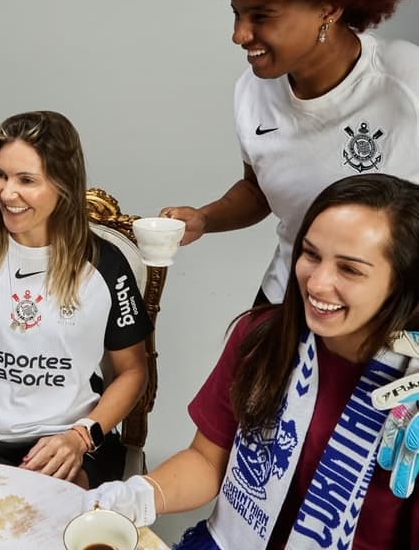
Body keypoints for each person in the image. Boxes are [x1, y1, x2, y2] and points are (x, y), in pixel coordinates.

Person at [85, 173, 419, 548]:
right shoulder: (262, 336)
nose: (317, 283)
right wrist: (142, 495)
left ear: (404, 282)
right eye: (311, 254)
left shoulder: (413, 393)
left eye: (350, 269)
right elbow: (208, 461)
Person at [161, 0, 419, 306]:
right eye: (237, 14)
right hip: (293, 296)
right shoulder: (252, 92)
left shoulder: (406, 81)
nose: (239, 35)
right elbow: (260, 189)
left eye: (261, 16)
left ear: (329, 7)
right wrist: (205, 218)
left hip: (393, 307)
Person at [0, 111, 152, 489]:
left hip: (71, 440)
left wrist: (81, 437)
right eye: (0, 174)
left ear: (63, 184)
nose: (6, 192)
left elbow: (133, 371)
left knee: (54, 523)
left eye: (26, 180)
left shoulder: (106, 266)